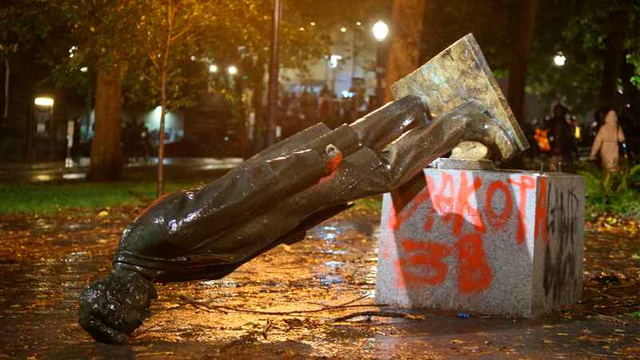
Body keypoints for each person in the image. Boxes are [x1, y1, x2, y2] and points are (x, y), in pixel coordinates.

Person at [79, 95, 521, 344]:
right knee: (356, 139)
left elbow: (237, 195)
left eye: (135, 312)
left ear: (120, 295)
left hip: (295, 184)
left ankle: (462, 119)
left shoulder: (160, 243)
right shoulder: (145, 264)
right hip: (291, 196)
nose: (147, 311)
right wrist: (288, 229)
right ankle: (412, 110)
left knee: (383, 172)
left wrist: (310, 165)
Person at [590, 108, 626, 172]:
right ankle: (613, 177)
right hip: (614, 147)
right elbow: (621, 139)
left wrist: (593, 154)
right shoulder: (617, 127)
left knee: (608, 165)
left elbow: (597, 142)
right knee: (614, 164)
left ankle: (608, 179)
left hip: (606, 148)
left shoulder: (603, 128)